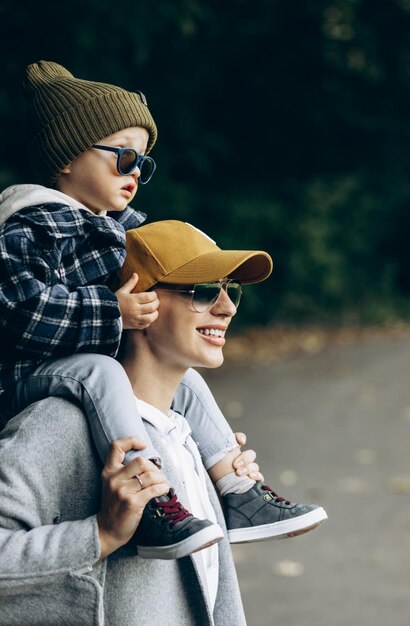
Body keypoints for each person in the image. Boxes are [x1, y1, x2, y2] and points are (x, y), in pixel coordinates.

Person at [0, 61, 326, 560]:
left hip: (97, 374)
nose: (135, 173)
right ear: (66, 158)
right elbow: (18, 311)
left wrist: (192, 444)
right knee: (101, 368)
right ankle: (150, 499)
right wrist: (111, 312)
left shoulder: (111, 226)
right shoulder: (31, 224)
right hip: (31, 373)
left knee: (185, 376)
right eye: (124, 157)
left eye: (143, 164)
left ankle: (238, 492)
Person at [0, 221, 322, 625]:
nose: (227, 308)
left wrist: (232, 490)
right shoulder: (59, 424)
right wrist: (100, 535)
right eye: (204, 292)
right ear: (138, 303)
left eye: (230, 290)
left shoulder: (189, 435)